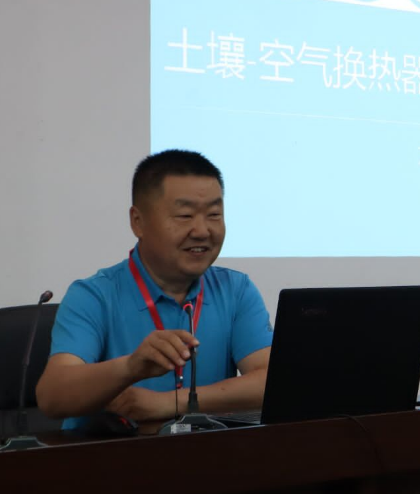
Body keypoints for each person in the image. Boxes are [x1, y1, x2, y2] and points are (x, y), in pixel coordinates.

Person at [36, 150, 272, 428]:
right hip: (113, 452)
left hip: (209, 452)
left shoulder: (235, 290)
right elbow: (53, 397)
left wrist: (170, 402)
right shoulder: (94, 296)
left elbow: (273, 381)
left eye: (214, 215)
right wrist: (131, 367)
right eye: (184, 215)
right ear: (138, 222)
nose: (202, 230)